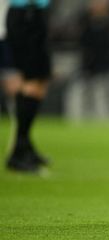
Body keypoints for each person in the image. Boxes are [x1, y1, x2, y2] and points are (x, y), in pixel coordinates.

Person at [4, 0, 52, 172]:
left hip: (35, 14)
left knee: (41, 80)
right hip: (25, 14)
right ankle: (18, 150)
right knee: (30, 81)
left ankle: (25, 145)